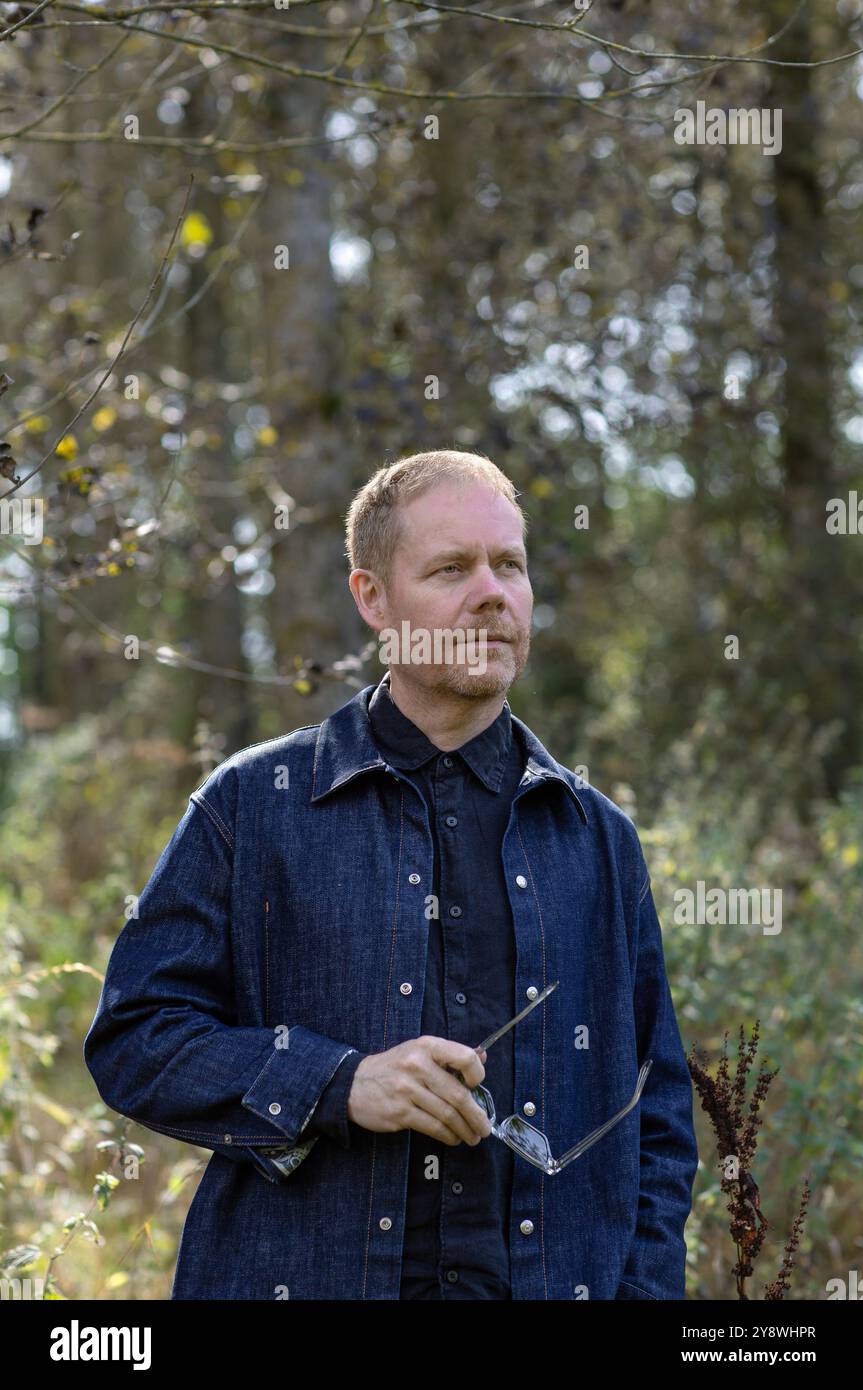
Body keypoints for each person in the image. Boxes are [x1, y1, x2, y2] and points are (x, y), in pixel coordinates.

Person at [84, 448, 699, 1300]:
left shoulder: (597, 839)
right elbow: (135, 1039)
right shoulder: (251, 808)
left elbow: (657, 1120)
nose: (493, 592)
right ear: (374, 598)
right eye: (451, 568)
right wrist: (337, 1082)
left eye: (510, 565)